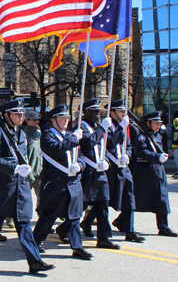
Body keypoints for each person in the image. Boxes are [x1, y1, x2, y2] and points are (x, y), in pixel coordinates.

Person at [0, 99, 54, 274]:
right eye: (17, 114)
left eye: (22, 114)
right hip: (2, 187)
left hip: (20, 187)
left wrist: (23, 169)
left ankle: (34, 261)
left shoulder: (20, 133)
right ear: (7, 116)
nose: (22, 117)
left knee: (24, 224)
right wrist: (14, 168)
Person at [33, 104, 92, 260]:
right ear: (53, 120)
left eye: (67, 118)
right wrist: (74, 139)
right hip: (56, 183)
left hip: (73, 182)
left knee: (74, 216)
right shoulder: (47, 136)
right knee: (49, 215)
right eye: (61, 118)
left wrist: (80, 165)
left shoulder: (70, 135)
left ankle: (77, 247)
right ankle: (36, 240)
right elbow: (56, 149)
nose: (65, 121)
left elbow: (82, 156)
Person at [98, 100, 144, 242]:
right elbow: (110, 143)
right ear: (112, 112)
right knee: (106, 199)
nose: (124, 113)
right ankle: (87, 222)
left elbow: (129, 145)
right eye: (120, 111)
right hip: (110, 168)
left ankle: (130, 231)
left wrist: (128, 156)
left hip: (123, 167)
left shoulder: (124, 127)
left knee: (129, 197)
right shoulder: (107, 126)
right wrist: (120, 129)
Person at [78, 98, 120, 249]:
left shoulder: (99, 126)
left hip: (100, 172)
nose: (98, 114)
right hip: (88, 172)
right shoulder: (80, 127)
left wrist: (120, 127)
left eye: (99, 112)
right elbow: (89, 143)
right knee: (81, 205)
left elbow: (111, 143)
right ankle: (63, 229)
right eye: (94, 112)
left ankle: (104, 237)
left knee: (103, 205)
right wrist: (102, 129)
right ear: (86, 113)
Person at [133, 111, 178, 237]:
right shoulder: (142, 137)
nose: (158, 126)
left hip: (158, 170)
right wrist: (157, 157)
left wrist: (161, 157)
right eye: (156, 123)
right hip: (144, 171)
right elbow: (142, 153)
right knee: (137, 198)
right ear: (148, 123)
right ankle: (121, 221)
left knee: (162, 198)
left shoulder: (156, 136)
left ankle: (163, 227)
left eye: (159, 123)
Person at [24, 110, 43, 214]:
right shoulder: (24, 134)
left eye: (37, 119)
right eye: (34, 119)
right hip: (28, 174)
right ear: (27, 120)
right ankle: (12, 218)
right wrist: (28, 173)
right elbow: (24, 155)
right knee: (23, 199)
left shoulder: (39, 133)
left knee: (42, 198)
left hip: (39, 172)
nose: (36, 121)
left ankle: (42, 220)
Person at [171, 113, 178, 179]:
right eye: (175, 122)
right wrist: (172, 148)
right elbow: (174, 140)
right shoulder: (175, 130)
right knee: (176, 160)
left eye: (177, 122)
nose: (176, 123)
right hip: (176, 148)